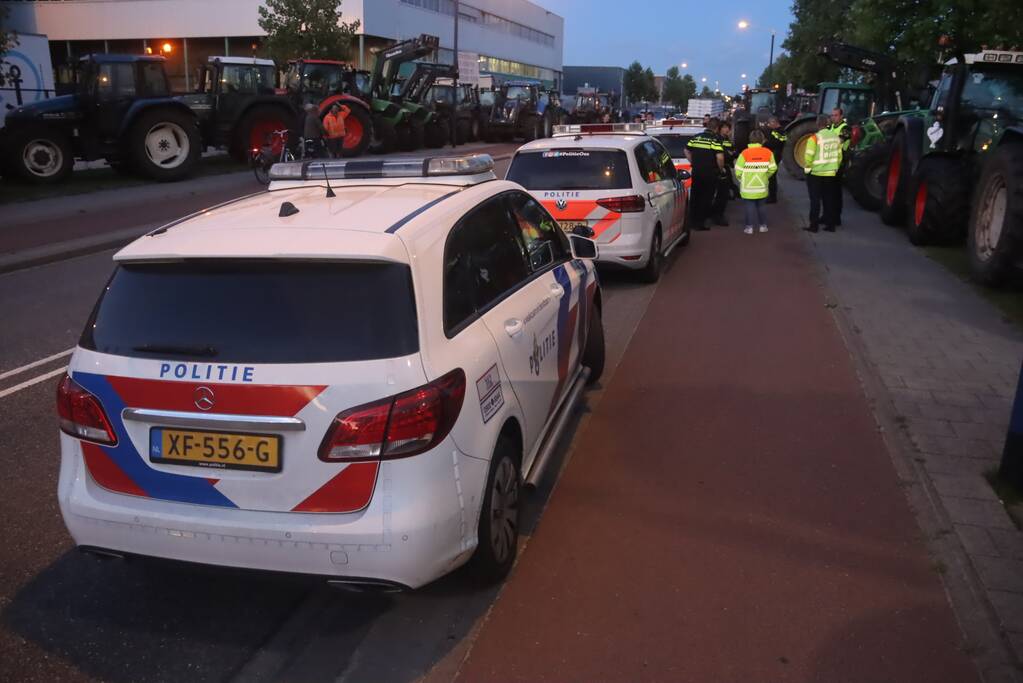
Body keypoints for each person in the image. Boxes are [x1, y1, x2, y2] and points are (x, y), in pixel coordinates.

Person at [803, 115, 843, 233]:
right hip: (830, 174)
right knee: (829, 199)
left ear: (817, 124)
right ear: (827, 124)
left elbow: (808, 157)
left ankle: (814, 226)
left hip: (815, 173)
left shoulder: (814, 138)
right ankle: (830, 225)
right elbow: (839, 156)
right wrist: (835, 167)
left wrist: (807, 170)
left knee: (815, 200)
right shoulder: (835, 137)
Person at [685, 117, 726, 231]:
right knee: (706, 197)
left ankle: (692, 221)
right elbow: (720, 157)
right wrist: (721, 169)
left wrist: (693, 162)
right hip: (710, 173)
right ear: (717, 128)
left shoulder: (696, 137)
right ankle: (700, 223)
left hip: (697, 171)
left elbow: (686, 150)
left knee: (695, 196)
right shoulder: (714, 140)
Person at [734, 129, 777, 235]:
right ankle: (763, 226)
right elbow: (773, 168)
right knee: (761, 207)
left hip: (747, 187)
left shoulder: (744, 153)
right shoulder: (768, 153)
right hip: (762, 186)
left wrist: (742, 180)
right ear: (762, 140)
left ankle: (749, 228)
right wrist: (766, 177)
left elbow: (738, 170)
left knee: (749, 207)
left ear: (750, 139)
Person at [827, 107, 850, 224]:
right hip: (829, 163)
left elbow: (839, 142)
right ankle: (827, 216)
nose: (833, 117)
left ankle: (836, 218)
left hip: (839, 163)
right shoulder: (830, 127)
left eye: (836, 115)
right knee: (828, 192)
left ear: (841, 116)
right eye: (832, 115)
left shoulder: (845, 128)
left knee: (835, 192)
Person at [710, 121, 736, 222]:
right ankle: (717, 215)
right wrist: (730, 154)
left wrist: (732, 153)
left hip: (725, 167)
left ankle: (717, 214)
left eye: (728, 127)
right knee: (721, 194)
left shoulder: (726, 139)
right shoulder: (718, 139)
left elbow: (733, 151)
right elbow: (724, 154)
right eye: (725, 127)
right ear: (719, 129)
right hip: (720, 168)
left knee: (723, 193)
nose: (727, 129)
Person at [762, 116, 787, 204]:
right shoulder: (777, 131)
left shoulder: (780, 132)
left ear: (774, 122)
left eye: (769, 124)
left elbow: (777, 143)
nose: (768, 126)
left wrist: (765, 143)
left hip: (775, 155)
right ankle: (772, 195)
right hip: (774, 154)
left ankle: (772, 197)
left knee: (772, 176)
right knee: (771, 176)